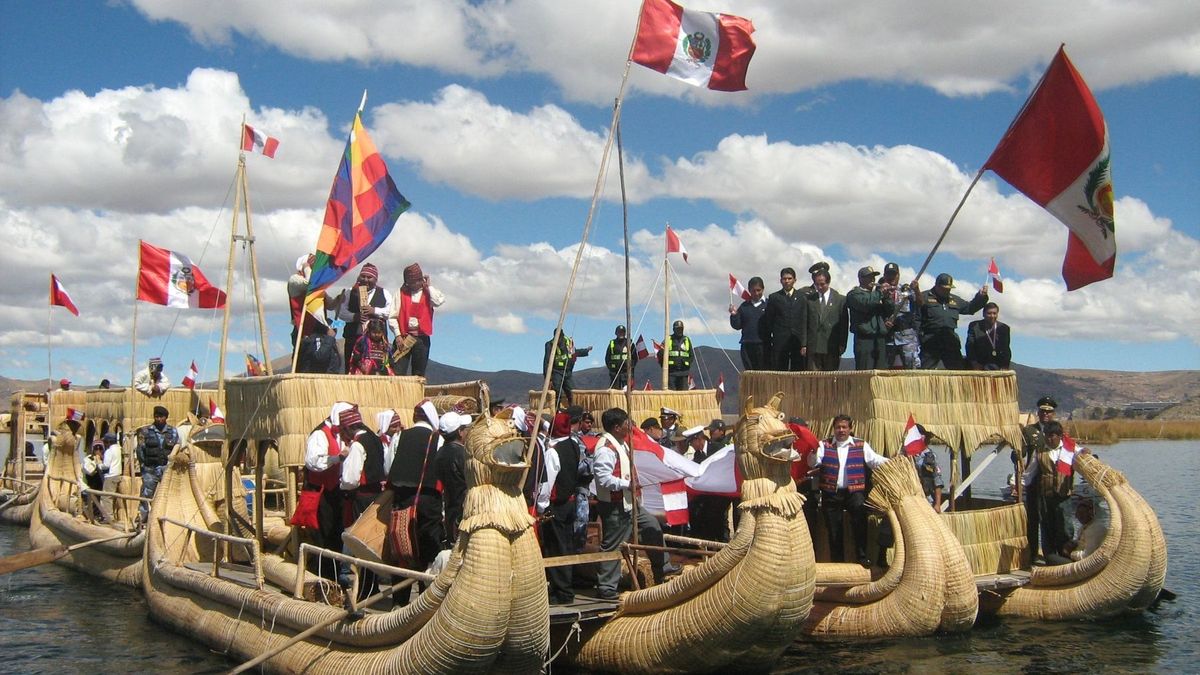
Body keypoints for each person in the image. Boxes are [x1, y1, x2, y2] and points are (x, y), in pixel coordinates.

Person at [592, 407, 668, 600]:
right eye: (627, 423)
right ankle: (606, 587)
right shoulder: (605, 449)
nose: (630, 426)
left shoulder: (622, 444)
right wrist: (627, 484)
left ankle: (663, 566)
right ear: (617, 427)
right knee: (613, 545)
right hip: (615, 505)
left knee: (651, 525)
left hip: (630, 502)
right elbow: (603, 479)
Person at [809, 414, 887, 565]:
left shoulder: (861, 445)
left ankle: (862, 557)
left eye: (844, 427)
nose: (841, 430)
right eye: (838, 427)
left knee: (860, 519)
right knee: (834, 528)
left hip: (854, 492)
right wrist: (812, 453)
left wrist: (893, 461)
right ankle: (837, 561)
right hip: (831, 492)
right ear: (834, 429)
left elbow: (874, 460)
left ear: (850, 429)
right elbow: (813, 463)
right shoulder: (824, 445)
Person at [388, 401, 444, 576]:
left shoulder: (399, 436)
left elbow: (388, 467)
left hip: (402, 498)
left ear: (414, 417)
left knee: (402, 540)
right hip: (429, 498)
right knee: (428, 542)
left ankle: (400, 589)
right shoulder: (438, 439)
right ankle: (425, 587)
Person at [541, 409, 586, 604]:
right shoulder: (573, 445)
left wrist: (542, 505)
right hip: (570, 502)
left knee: (556, 547)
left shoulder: (553, 451)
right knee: (566, 544)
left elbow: (548, 482)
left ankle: (562, 591)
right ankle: (564, 587)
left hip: (557, 505)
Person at [1021, 420, 1079, 563]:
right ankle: (1050, 557)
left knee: (1065, 527)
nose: (1049, 438)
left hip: (1063, 496)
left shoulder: (1070, 449)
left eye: (1052, 435)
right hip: (1046, 497)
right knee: (1047, 526)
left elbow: (1082, 454)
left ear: (1059, 436)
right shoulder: (1040, 451)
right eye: (1046, 435)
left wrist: (1085, 452)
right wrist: (1018, 486)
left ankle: (1065, 555)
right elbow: (1029, 473)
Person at [302, 402, 353, 560]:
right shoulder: (320, 434)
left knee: (337, 532)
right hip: (322, 493)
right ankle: (324, 570)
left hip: (336, 491)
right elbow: (313, 462)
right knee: (323, 534)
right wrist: (337, 458)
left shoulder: (341, 434)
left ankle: (335, 568)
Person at [917, 273, 987, 370]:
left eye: (949, 289)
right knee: (925, 371)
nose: (947, 291)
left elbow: (970, 308)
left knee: (957, 370)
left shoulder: (954, 300)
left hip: (950, 340)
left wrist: (980, 297)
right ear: (937, 286)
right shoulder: (924, 297)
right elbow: (916, 318)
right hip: (931, 341)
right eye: (944, 288)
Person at [335, 263, 395, 373]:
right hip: (353, 339)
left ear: (375, 279)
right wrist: (354, 316)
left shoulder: (384, 293)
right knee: (351, 370)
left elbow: (392, 312)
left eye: (369, 277)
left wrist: (374, 311)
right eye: (363, 276)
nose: (365, 280)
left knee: (378, 371)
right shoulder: (350, 292)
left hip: (377, 342)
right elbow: (341, 312)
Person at [393, 262, 445, 377]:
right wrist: (397, 335)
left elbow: (438, 301)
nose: (413, 284)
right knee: (398, 372)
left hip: (422, 338)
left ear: (421, 279)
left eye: (415, 281)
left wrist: (429, 287)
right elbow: (392, 316)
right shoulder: (400, 293)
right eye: (410, 282)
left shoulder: (429, 293)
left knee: (419, 373)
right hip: (404, 337)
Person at [845, 266, 895, 370]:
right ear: (861, 279)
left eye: (873, 277)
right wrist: (880, 292)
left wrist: (887, 297)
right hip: (864, 339)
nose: (872, 280)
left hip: (880, 338)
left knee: (881, 371)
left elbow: (890, 311)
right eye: (869, 277)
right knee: (865, 370)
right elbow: (866, 304)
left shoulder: (876, 294)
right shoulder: (854, 294)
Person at [136, 405, 178, 526]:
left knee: (168, 495)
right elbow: (140, 451)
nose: (159, 419)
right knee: (146, 495)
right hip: (150, 469)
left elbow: (176, 449)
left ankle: (169, 520)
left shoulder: (173, 431)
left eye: (161, 417)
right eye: (156, 416)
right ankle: (142, 520)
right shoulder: (145, 431)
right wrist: (144, 467)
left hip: (166, 469)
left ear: (166, 417)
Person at [760, 267, 809, 371]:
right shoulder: (774, 297)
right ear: (780, 280)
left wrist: (804, 343)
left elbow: (805, 319)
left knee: (798, 370)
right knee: (780, 370)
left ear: (795, 280)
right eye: (784, 279)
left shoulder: (802, 297)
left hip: (797, 340)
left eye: (789, 278)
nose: (787, 281)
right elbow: (769, 320)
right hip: (780, 341)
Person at [435, 411, 470, 546]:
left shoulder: (440, 453)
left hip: (450, 511)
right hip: (463, 512)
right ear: (460, 432)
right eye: (464, 428)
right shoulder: (463, 454)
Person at [804, 266, 848, 371]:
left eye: (822, 284)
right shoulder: (809, 300)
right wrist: (803, 344)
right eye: (817, 284)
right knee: (813, 378)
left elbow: (844, 325)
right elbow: (804, 323)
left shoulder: (840, 300)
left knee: (830, 378)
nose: (819, 287)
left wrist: (842, 344)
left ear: (828, 282)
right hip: (813, 347)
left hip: (832, 346)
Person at [881, 263, 921, 369]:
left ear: (898, 275)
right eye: (888, 274)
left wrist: (916, 290)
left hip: (907, 336)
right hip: (888, 337)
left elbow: (920, 304)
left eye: (894, 274)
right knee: (884, 369)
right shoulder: (878, 292)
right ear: (884, 275)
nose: (891, 277)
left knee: (912, 368)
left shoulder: (906, 290)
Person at [1050, 498, 1107, 564]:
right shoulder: (1085, 527)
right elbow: (1082, 542)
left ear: (1090, 513)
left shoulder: (1095, 529)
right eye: (1078, 513)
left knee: (1051, 558)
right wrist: (1073, 543)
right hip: (1082, 559)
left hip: (1090, 564)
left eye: (1082, 513)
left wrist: (1071, 553)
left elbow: (1087, 556)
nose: (1079, 516)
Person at [729, 276, 767, 370]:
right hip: (747, 345)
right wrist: (734, 315)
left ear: (763, 289)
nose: (756, 293)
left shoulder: (769, 305)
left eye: (758, 290)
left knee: (763, 373)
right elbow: (737, 326)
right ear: (749, 290)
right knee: (749, 373)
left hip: (764, 345)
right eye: (753, 291)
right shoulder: (744, 306)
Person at [545, 331, 592, 407]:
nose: (559, 340)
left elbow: (574, 353)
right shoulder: (549, 345)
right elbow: (546, 360)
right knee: (557, 391)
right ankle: (556, 409)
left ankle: (572, 408)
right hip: (556, 371)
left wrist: (586, 351)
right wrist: (547, 376)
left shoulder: (568, 342)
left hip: (567, 371)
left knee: (571, 392)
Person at [965, 302, 1012, 370]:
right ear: (983, 314)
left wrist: (1005, 365)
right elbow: (970, 346)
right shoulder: (974, 326)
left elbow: (1006, 349)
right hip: (978, 363)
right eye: (989, 313)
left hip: (997, 365)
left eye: (994, 313)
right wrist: (974, 363)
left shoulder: (1004, 328)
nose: (992, 316)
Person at [287, 253, 315, 345]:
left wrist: (338, 300)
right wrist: (306, 268)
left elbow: (330, 304)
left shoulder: (316, 284)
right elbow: (308, 283)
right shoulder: (294, 279)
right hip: (301, 329)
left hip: (315, 329)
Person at [657, 320, 693, 391]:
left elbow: (691, 356)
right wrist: (664, 367)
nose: (680, 330)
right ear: (674, 329)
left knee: (683, 394)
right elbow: (660, 355)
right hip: (671, 373)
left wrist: (687, 366)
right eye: (678, 329)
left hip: (684, 373)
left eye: (681, 329)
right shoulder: (668, 339)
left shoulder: (686, 340)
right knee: (671, 394)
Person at [98, 432, 122, 524]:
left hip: (110, 476)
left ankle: (108, 517)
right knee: (112, 497)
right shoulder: (119, 449)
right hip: (117, 474)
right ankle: (112, 516)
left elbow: (106, 465)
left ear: (108, 442)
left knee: (106, 497)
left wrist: (99, 464)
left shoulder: (109, 451)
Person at [604, 325, 635, 390]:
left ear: (625, 333)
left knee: (627, 390)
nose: (621, 334)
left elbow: (635, 357)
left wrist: (631, 367)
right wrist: (611, 368)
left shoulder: (629, 343)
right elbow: (607, 358)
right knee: (615, 391)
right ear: (616, 333)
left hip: (626, 372)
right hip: (615, 373)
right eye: (619, 332)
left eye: (622, 332)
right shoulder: (612, 343)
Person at [82, 440, 107, 522]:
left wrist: (101, 462)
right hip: (92, 483)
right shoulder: (88, 459)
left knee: (103, 499)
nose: (98, 451)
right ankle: (92, 515)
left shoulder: (105, 458)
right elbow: (89, 471)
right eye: (96, 448)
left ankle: (101, 515)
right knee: (93, 499)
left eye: (100, 449)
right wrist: (95, 463)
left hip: (102, 483)